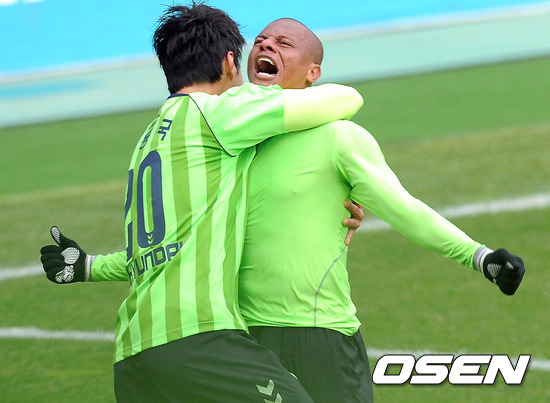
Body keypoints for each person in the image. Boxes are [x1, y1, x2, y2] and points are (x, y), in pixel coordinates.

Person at [41, 15, 526, 403]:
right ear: (234, 62)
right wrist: (92, 266)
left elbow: (403, 208)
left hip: (317, 335)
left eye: (283, 44)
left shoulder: (337, 136)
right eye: (261, 41)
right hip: (239, 337)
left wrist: (478, 256)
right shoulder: (230, 146)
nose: (266, 46)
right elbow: (176, 242)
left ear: (313, 72)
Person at [39, 4, 365, 402]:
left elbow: (162, 248)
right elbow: (345, 99)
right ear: (229, 62)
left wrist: (90, 266)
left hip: (134, 354)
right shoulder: (219, 114)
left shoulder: (149, 140)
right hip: (198, 339)